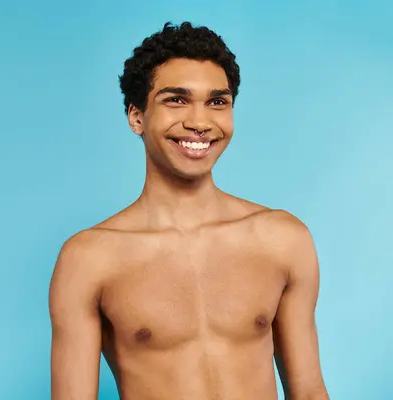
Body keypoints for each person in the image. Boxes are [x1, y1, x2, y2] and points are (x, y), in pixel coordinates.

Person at [48, 22, 329, 400]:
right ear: (136, 117)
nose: (200, 123)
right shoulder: (89, 259)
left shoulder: (283, 239)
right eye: (176, 99)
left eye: (217, 102)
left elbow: (310, 392)